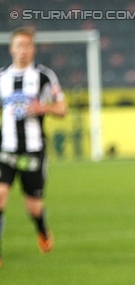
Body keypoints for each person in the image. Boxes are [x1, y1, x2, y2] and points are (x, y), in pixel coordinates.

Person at [0, 27, 68, 267]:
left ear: (33, 49)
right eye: (18, 45)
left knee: (34, 208)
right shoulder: (2, 78)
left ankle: (41, 228)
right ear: (11, 49)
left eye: (27, 46)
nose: (23, 50)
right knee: (0, 197)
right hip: (5, 150)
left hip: (33, 151)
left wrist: (44, 108)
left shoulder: (44, 76)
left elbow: (62, 108)